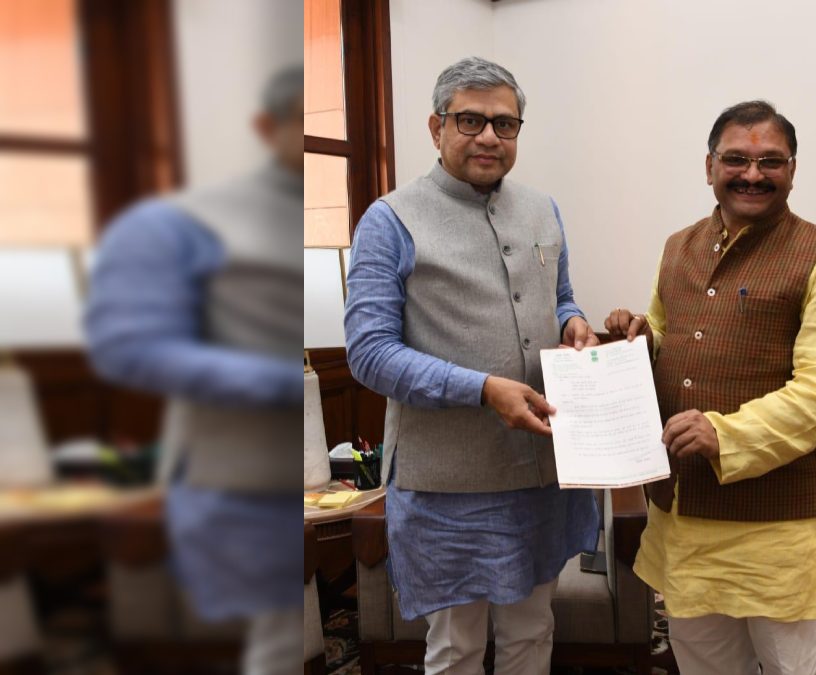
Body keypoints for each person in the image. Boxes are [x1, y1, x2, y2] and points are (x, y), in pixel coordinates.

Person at [343, 56, 601, 675]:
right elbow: (369, 353)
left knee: (533, 630)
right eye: (470, 121)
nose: (489, 136)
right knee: (457, 645)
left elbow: (561, 297)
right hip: (447, 485)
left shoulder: (543, 209)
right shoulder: (389, 220)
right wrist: (482, 388)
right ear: (437, 128)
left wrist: (573, 322)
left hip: (542, 472)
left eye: (504, 124)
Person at [607, 100, 816, 675]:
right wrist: (639, 341)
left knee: (793, 668)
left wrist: (724, 435)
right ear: (709, 167)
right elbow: (670, 336)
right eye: (736, 160)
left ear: (792, 170)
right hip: (684, 518)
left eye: (770, 161)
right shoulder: (677, 247)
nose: (752, 173)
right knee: (703, 664)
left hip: (774, 529)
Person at [85, 67, 305, 675]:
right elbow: (127, 345)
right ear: (266, 127)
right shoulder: (175, 222)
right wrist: (272, 380)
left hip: (304, 470)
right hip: (236, 479)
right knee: (275, 644)